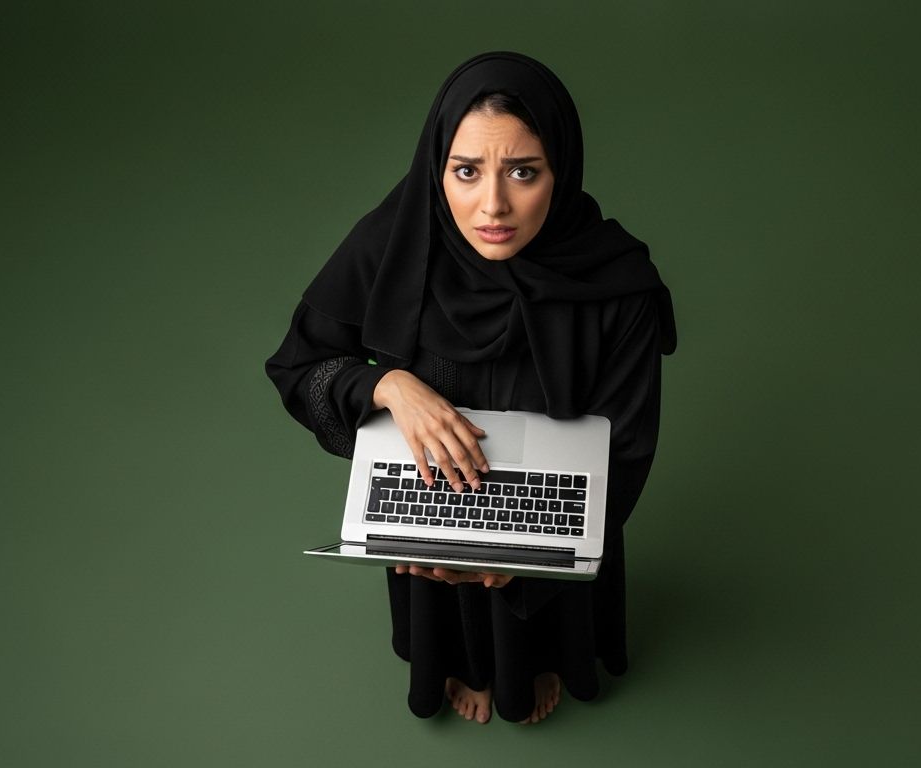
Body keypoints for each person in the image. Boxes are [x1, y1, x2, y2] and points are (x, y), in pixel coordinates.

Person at [266, 51, 675, 724]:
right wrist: (388, 385)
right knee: (446, 610)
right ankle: (462, 666)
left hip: (552, 511)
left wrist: (526, 562)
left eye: (523, 172)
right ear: (438, 169)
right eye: (466, 171)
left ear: (561, 170)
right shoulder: (393, 242)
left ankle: (541, 660)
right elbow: (298, 366)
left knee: (544, 617)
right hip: (431, 503)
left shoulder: (617, 285)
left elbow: (627, 446)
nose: (493, 206)